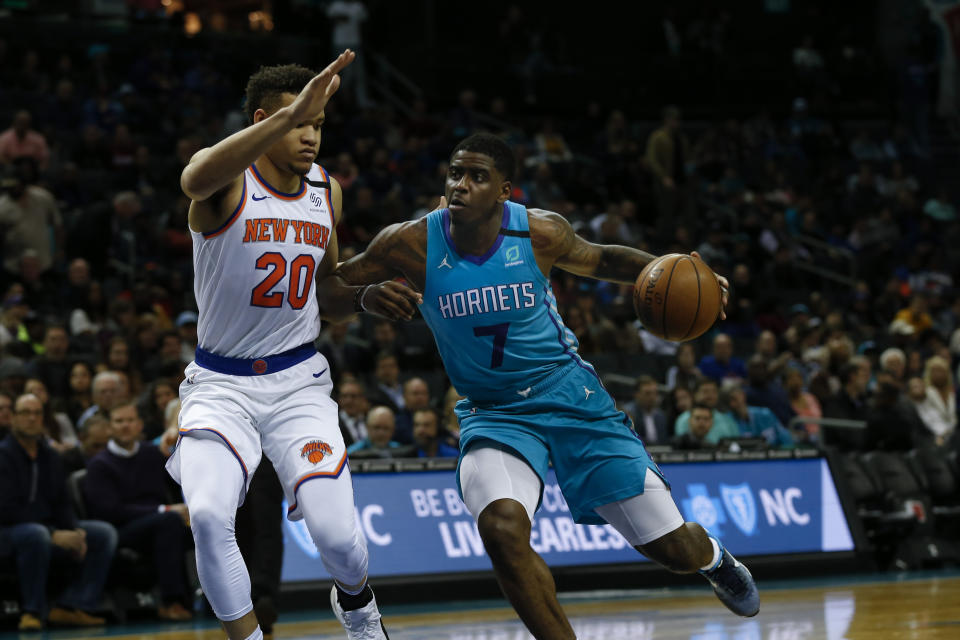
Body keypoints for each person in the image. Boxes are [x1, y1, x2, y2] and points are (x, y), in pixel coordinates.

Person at [318, 133, 758, 639]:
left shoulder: (539, 232)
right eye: (455, 174)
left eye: (477, 176)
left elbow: (602, 259)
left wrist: (685, 270)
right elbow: (329, 290)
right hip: (493, 413)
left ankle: (715, 560)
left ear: (504, 190)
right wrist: (366, 297)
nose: (460, 185)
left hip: (571, 396)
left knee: (674, 549)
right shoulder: (409, 242)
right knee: (501, 529)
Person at [165, 52, 406, 640]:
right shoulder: (225, 185)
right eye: (301, 122)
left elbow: (324, 288)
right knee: (207, 513)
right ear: (263, 120)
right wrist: (284, 116)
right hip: (221, 385)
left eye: (319, 124)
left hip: (298, 382)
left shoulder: (327, 190)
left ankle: (358, 608)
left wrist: (368, 298)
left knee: (337, 538)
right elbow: (191, 177)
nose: (311, 137)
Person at [0, 393, 117, 631]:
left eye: (37, 413)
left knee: (103, 533)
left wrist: (73, 530)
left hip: (46, 527)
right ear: (13, 418)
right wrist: (54, 533)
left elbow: (62, 502)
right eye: (25, 413)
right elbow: (6, 509)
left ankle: (73, 605)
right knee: (36, 535)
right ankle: (32, 611)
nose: (32, 419)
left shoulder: (51, 456)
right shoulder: (3, 455)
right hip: (8, 530)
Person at [83, 401, 193, 621]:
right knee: (169, 521)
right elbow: (110, 511)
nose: (125, 426)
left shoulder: (154, 454)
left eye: (130, 420)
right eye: (119, 421)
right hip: (120, 530)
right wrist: (164, 509)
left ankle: (220, 600)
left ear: (140, 425)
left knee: (204, 523)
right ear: (109, 427)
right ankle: (172, 601)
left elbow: (178, 486)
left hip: (160, 524)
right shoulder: (99, 464)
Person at [622, 375, 670, 444]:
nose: (652, 397)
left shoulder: (661, 416)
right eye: (647, 393)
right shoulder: (628, 414)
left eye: (655, 393)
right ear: (636, 394)